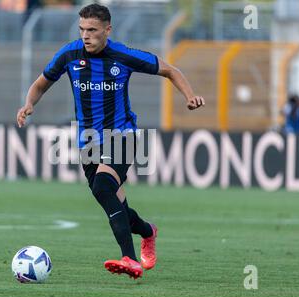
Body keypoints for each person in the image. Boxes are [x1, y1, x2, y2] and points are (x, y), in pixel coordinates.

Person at [16, 3, 205, 279]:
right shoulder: (69, 55)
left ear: (107, 30)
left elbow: (170, 70)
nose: (85, 36)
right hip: (88, 143)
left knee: (105, 186)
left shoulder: (122, 55)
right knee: (116, 205)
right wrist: (28, 104)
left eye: (92, 30)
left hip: (122, 136)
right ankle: (148, 231)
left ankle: (129, 258)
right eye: (82, 29)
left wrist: (190, 96)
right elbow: (41, 83)